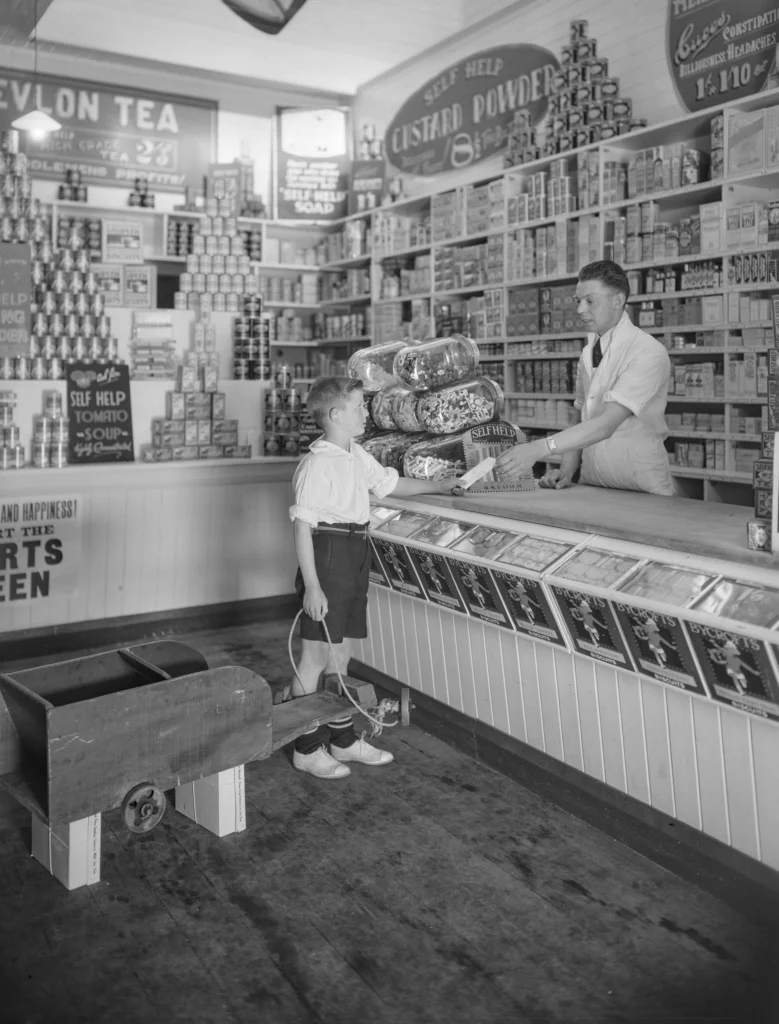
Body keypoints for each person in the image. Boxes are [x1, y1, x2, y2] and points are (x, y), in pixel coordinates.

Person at [288, 375, 460, 780]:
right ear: (335, 414)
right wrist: (312, 586)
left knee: (342, 654)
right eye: (358, 405)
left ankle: (342, 739)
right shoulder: (316, 464)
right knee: (313, 657)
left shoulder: (355, 454)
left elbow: (389, 484)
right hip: (327, 555)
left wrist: (442, 484)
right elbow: (301, 528)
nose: (365, 411)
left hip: (356, 552)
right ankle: (305, 747)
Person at [496, 260, 674, 496]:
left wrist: (539, 449)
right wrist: (567, 469)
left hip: (641, 485)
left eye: (590, 301)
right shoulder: (588, 353)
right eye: (578, 301)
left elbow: (606, 424)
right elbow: (583, 418)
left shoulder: (648, 352)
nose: (580, 310)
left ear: (618, 301)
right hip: (594, 483)